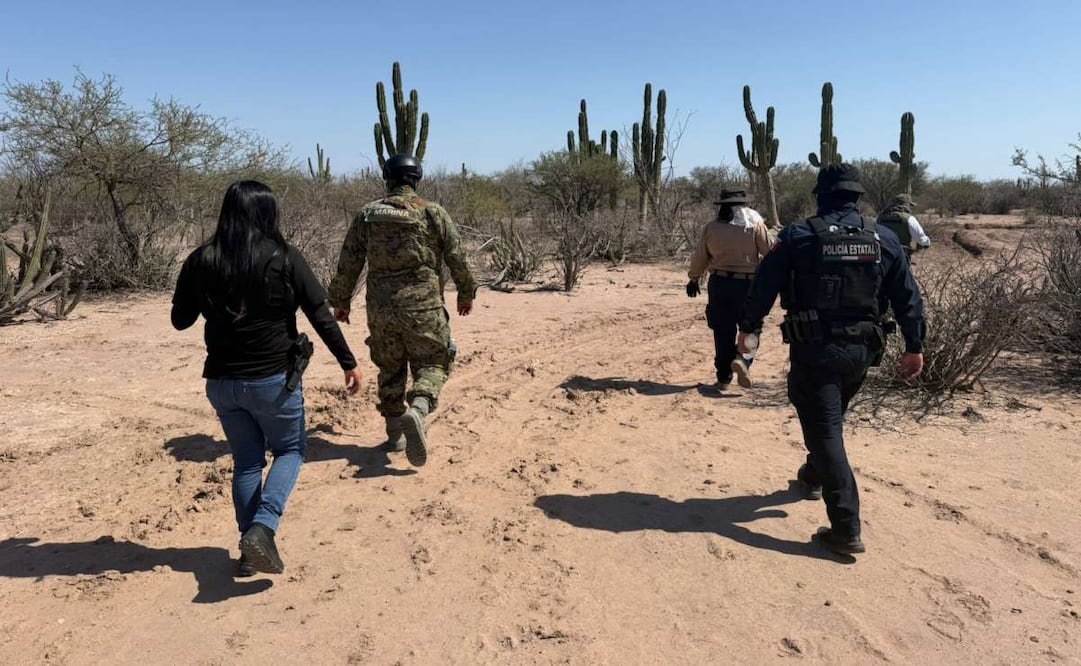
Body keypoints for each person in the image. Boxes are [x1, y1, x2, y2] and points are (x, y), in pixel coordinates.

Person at [172, 180, 363, 576]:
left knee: (246, 463)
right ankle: (263, 527)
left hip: (222, 382)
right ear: (267, 214)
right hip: (272, 380)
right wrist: (349, 362)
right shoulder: (286, 258)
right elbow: (319, 315)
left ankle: (250, 548)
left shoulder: (201, 259)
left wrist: (204, 292)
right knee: (291, 451)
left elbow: (180, 320)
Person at [736, 164, 926, 556]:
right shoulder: (884, 239)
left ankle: (845, 527)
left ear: (820, 196)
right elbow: (909, 297)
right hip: (863, 352)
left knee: (826, 430)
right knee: (828, 416)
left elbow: (764, 286)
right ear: (858, 198)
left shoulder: (798, 235)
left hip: (816, 348)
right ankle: (813, 474)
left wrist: (749, 329)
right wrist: (914, 345)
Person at [328, 154, 476, 468]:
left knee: (390, 368)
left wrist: (340, 301)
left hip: (381, 308)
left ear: (388, 178)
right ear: (416, 178)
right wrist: (465, 293)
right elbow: (457, 256)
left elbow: (349, 261)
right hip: (423, 307)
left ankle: (395, 435)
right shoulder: (432, 212)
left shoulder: (368, 214)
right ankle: (419, 410)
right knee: (434, 362)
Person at [686, 188, 771, 388]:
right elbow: (770, 252)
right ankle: (742, 359)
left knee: (722, 330)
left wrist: (693, 278)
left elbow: (701, 256)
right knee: (751, 328)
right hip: (748, 285)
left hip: (719, 284)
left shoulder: (711, 228)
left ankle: (723, 377)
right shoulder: (754, 225)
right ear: (745, 206)